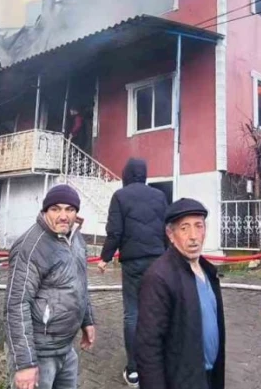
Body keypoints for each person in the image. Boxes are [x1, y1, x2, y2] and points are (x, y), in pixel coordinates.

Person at [4, 185, 96, 389]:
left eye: (69, 209)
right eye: (56, 209)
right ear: (45, 211)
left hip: (65, 348)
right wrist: (25, 363)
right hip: (38, 354)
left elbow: (80, 282)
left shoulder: (76, 239)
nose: (63, 216)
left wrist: (87, 320)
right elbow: (16, 304)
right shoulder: (30, 247)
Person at [135, 198, 225, 389]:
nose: (193, 236)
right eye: (184, 228)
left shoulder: (208, 271)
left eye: (198, 226)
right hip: (182, 380)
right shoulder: (159, 277)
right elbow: (148, 346)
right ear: (171, 234)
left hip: (208, 376)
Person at [97, 158, 168, 386]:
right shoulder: (159, 196)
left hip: (133, 264)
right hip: (158, 260)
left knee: (133, 313)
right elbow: (168, 229)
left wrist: (105, 258)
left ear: (126, 174)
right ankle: (159, 361)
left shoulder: (120, 196)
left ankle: (134, 370)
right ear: (144, 174)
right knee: (157, 310)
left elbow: (115, 232)